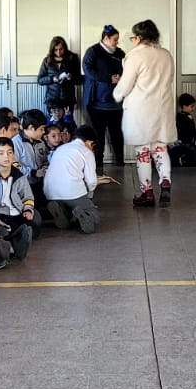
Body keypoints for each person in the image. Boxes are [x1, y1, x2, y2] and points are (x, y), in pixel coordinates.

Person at [113, 19, 177, 209]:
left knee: (142, 152)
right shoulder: (166, 55)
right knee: (160, 148)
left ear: (139, 37)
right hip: (163, 108)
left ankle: (147, 193)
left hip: (141, 109)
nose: (132, 41)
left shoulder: (135, 56)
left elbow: (126, 84)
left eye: (133, 37)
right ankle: (165, 183)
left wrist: (117, 94)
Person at [0, 138, 38, 256]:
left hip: (17, 211)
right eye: (1, 153)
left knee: (34, 228)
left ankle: (17, 238)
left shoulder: (19, 176)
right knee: (6, 229)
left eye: (9, 152)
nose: (6, 156)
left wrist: (28, 210)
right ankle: (15, 245)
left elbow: (27, 196)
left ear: (13, 155)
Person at [82, 25, 126, 170]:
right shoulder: (93, 51)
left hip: (116, 103)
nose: (117, 42)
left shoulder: (119, 53)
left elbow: (127, 68)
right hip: (97, 103)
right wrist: (108, 78)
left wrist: (120, 77)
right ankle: (98, 163)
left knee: (117, 134)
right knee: (97, 135)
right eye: (115, 39)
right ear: (106, 38)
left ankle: (120, 161)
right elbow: (88, 70)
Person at [45, 125, 102, 233]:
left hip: (51, 193)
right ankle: (83, 213)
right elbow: (91, 182)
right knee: (95, 216)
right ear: (90, 142)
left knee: (69, 208)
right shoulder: (87, 152)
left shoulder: (61, 148)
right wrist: (88, 194)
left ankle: (62, 210)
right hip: (72, 192)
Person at [37, 36, 82, 124]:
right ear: (52, 50)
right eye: (56, 50)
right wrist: (52, 79)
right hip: (52, 99)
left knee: (68, 124)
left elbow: (79, 80)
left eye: (61, 49)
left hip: (67, 99)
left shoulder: (72, 59)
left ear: (65, 48)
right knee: (53, 125)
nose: (58, 52)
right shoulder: (47, 60)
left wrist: (71, 78)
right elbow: (40, 80)